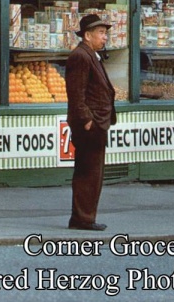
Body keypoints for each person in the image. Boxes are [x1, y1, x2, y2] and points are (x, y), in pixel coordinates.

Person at [65, 13, 117, 231]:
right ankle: (82, 218)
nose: (105, 38)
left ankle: (85, 216)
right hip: (91, 124)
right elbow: (76, 93)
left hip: (97, 122)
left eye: (105, 33)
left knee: (93, 173)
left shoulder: (90, 55)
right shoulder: (81, 56)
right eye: (101, 33)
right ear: (87, 35)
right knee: (88, 173)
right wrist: (87, 120)